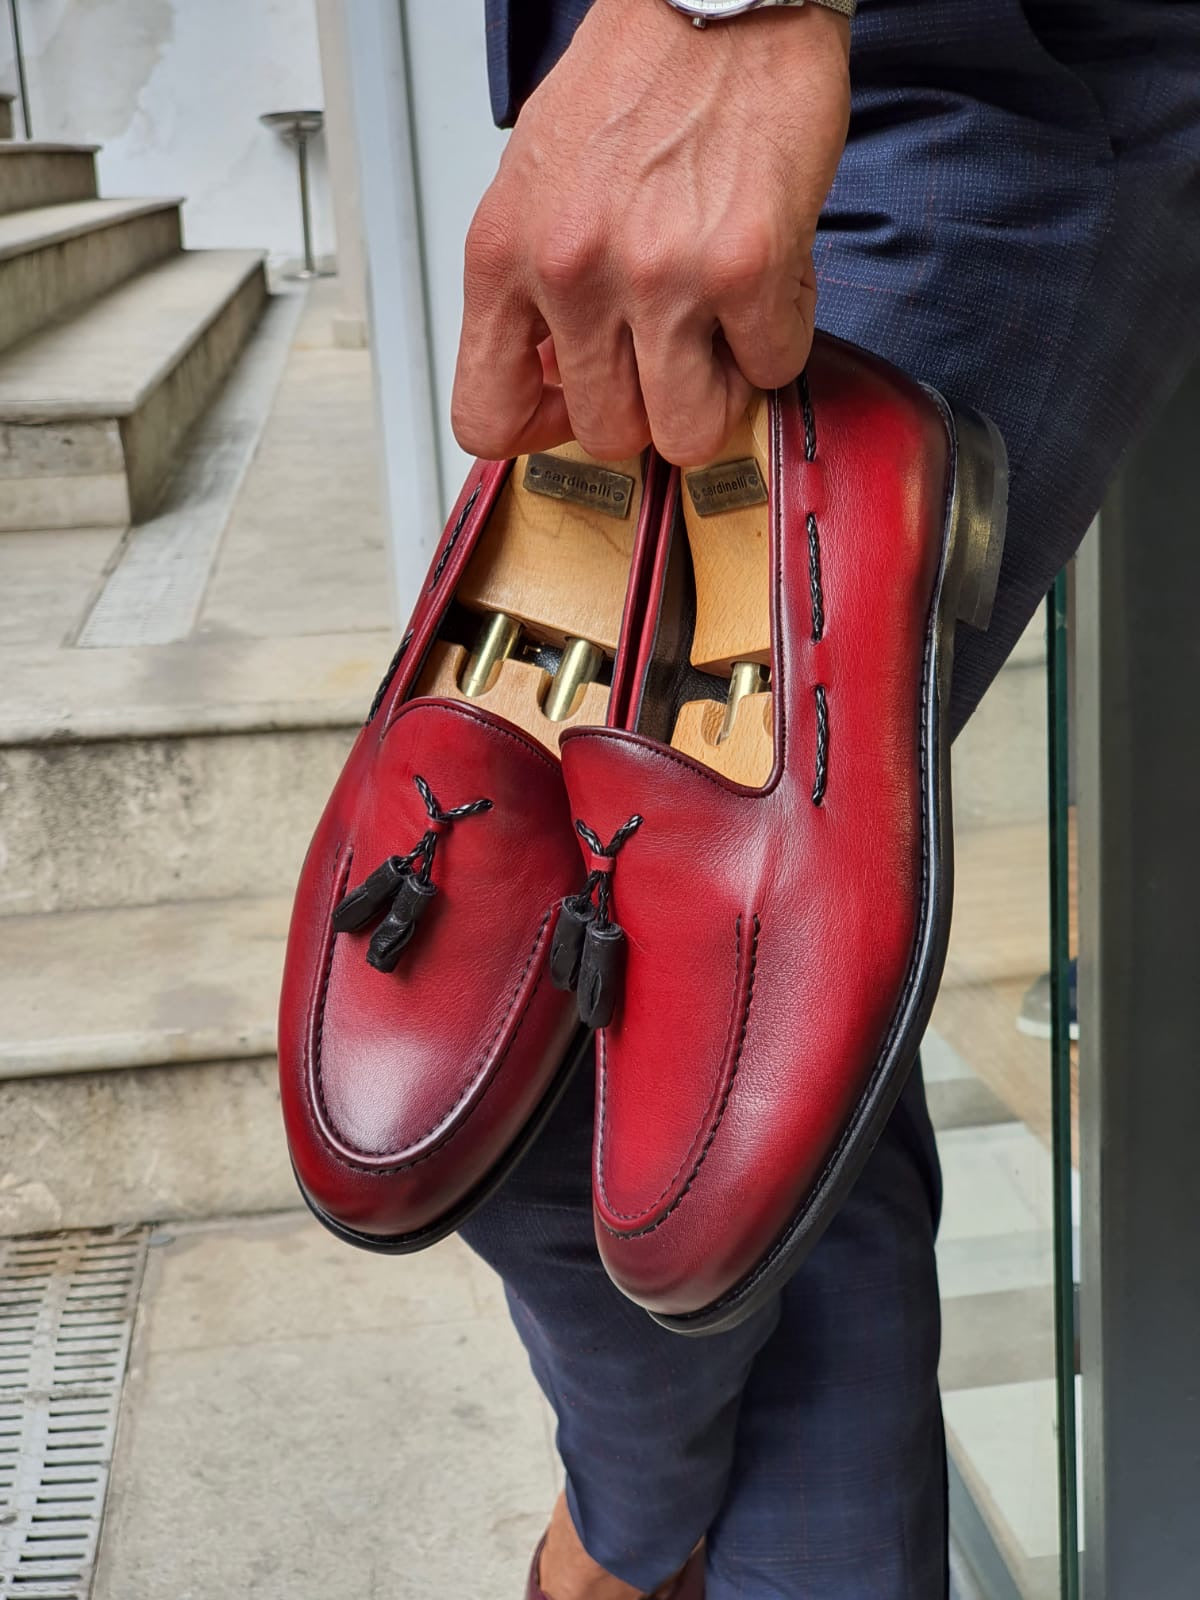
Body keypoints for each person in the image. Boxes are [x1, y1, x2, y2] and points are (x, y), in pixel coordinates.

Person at [451, 1, 1200, 1594]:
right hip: (724, 143)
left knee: (556, 1038)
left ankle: (624, 1536)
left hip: (938, 83)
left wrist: (730, 17)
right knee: (769, 1065)